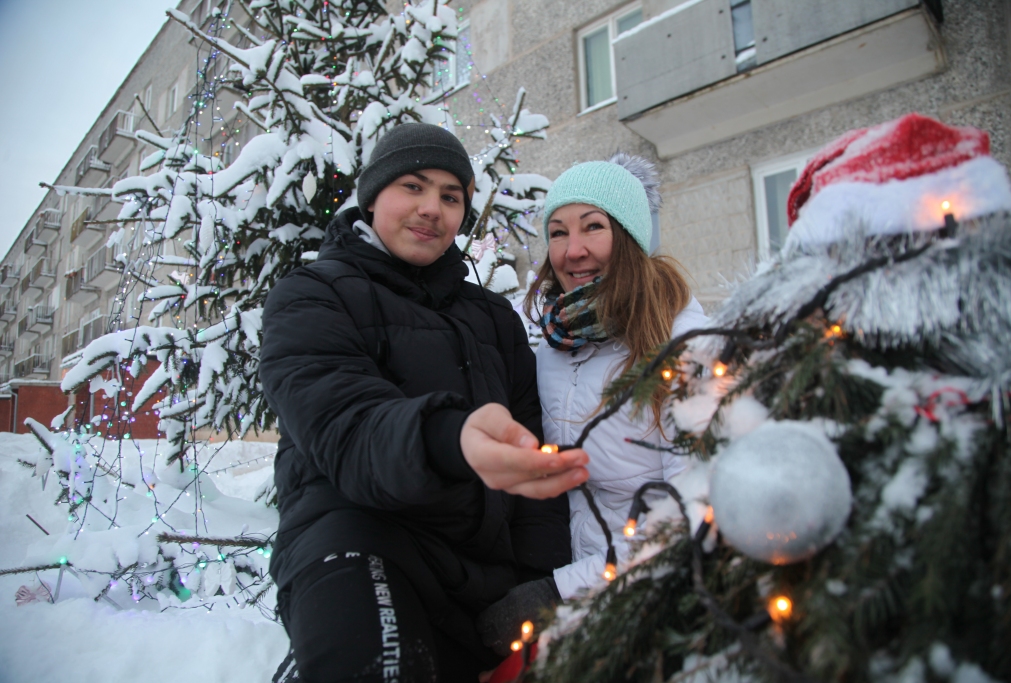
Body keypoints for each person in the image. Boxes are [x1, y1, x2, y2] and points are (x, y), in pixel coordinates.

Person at [259, 122, 588, 683]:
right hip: (357, 539)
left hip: (480, 574)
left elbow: (536, 463)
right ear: (373, 197)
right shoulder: (312, 293)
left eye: (450, 196)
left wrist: (540, 581)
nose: (432, 208)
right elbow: (347, 424)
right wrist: (450, 438)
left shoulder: (494, 318)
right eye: (413, 186)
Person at [476, 154, 709, 661]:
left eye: (593, 227)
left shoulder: (682, 345)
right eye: (557, 232)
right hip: (579, 602)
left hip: (663, 606)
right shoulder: (551, 341)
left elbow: (691, 513)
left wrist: (557, 592)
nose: (572, 250)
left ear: (629, 238)